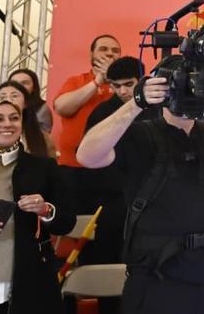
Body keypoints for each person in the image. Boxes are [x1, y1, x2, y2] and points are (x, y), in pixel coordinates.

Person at [75, 66, 204, 313]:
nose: (189, 94)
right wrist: (136, 103)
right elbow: (87, 156)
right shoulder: (141, 134)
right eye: (181, 85)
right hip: (157, 272)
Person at [0, 99, 76, 314]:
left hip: (29, 282)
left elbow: (67, 221)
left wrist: (46, 210)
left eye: (14, 118)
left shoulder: (43, 167)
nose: (8, 124)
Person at [81, 56, 149, 269]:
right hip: (111, 201)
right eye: (116, 86)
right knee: (107, 262)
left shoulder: (160, 109)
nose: (122, 91)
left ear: (142, 79)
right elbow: (87, 157)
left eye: (128, 84)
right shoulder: (101, 113)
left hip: (149, 200)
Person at [49, 33, 121, 210]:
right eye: (103, 49)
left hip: (114, 169)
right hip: (74, 169)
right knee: (73, 228)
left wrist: (114, 81)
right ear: (91, 55)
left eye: (115, 51)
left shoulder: (125, 86)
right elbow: (62, 108)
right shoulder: (76, 81)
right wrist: (97, 82)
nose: (110, 54)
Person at [0, 82, 53, 158]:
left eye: (14, 96)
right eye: (2, 97)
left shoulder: (42, 136)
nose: (8, 100)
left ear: (25, 103)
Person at [5, 69, 51, 135]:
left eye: (24, 83)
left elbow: (41, 138)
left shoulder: (42, 108)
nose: (19, 86)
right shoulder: (3, 106)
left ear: (34, 87)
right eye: (14, 83)